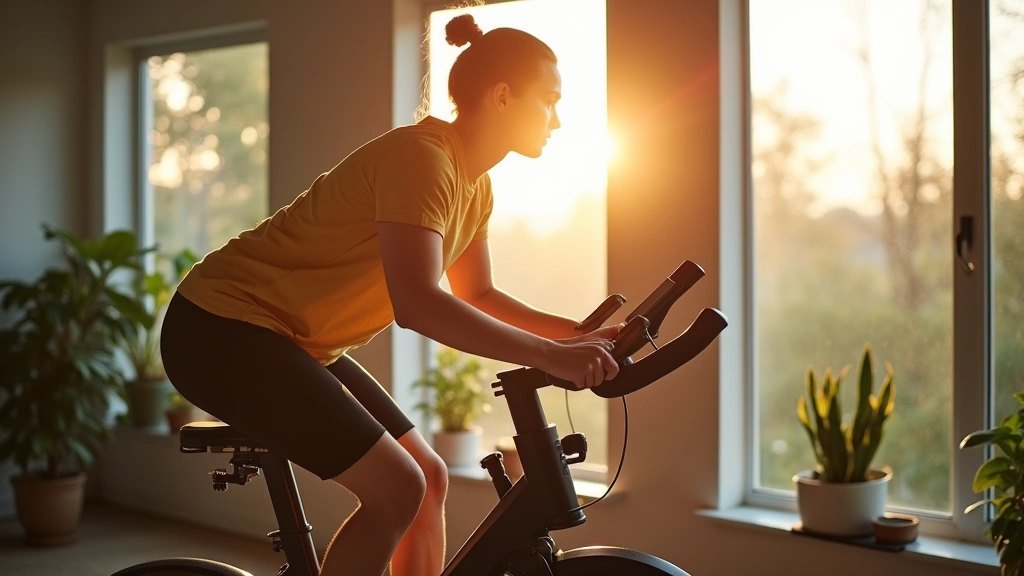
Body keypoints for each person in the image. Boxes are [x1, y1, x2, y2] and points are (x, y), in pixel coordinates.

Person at [160, 12, 621, 576]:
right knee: (397, 487)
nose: (557, 118)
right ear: (503, 96)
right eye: (548, 100)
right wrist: (551, 356)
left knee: (427, 479)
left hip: (292, 341)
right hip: (219, 328)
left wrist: (577, 336)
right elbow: (419, 304)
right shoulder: (422, 159)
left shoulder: (474, 185)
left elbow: (476, 292)